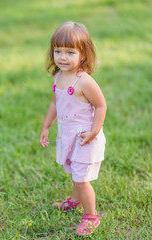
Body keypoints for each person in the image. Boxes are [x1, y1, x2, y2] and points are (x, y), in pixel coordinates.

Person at [39, 21, 107, 236]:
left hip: (85, 138)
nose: (62, 57)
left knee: (80, 177)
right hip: (69, 136)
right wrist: (46, 125)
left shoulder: (84, 81)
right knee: (74, 171)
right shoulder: (58, 77)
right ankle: (74, 201)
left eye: (70, 52)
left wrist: (95, 131)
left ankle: (91, 217)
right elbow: (54, 104)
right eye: (58, 51)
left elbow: (100, 105)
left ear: (83, 54)